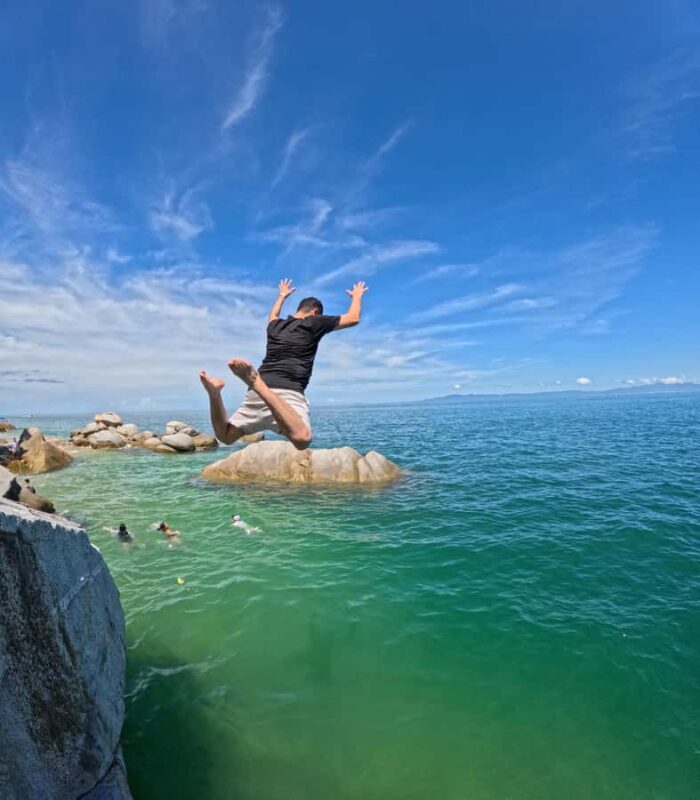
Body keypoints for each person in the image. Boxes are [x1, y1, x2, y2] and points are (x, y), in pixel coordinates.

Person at [200, 278, 368, 450]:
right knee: (302, 439)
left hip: (256, 391)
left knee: (226, 436)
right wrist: (357, 295)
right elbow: (353, 318)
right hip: (286, 391)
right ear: (315, 312)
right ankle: (258, 384)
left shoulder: (275, 326)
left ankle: (214, 394)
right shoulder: (314, 322)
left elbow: (272, 316)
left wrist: (282, 296)